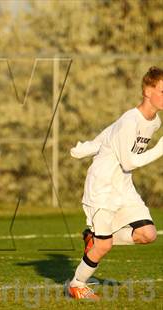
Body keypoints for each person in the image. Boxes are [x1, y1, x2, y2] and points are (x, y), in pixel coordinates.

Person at [66, 66, 163, 299]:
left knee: (148, 234)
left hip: (123, 186)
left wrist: (87, 148)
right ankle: (77, 284)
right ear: (148, 91)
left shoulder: (155, 122)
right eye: (162, 90)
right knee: (104, 246)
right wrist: (160, 149)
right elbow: (129, 162)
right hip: (102, 186)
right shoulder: (131, 120)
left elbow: (108, 135)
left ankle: (96, 238)